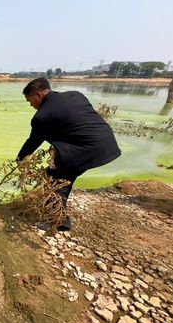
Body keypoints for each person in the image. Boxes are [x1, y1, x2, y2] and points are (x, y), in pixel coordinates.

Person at [17, 78, 121, 231]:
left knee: (53, 179)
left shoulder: (42, 116)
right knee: (63, 176)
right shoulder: (76, 95)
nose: (30, 105)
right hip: (107, 143)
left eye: (29, 100)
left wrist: (20, 159)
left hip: (85, 149)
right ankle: (58, 214)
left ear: (38, 95)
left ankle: (58, 222)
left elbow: (33, 141)